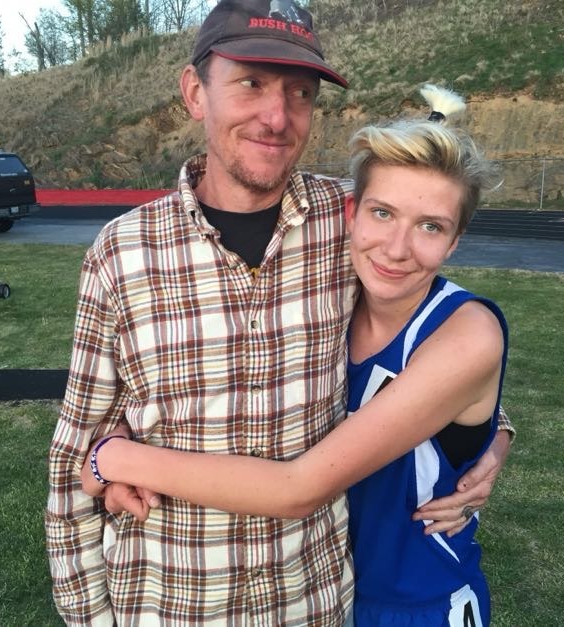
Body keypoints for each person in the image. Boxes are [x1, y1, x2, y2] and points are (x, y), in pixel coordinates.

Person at [46, 1, 514, 624]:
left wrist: (487, 437)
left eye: (299, 93)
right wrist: (86, 614)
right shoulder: (122, 253)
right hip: (171, 601)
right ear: (195, 92)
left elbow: (434, 337)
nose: (276, 117)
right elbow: (74, 448)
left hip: (312, 600)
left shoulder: (348, 222)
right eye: (251, 83)